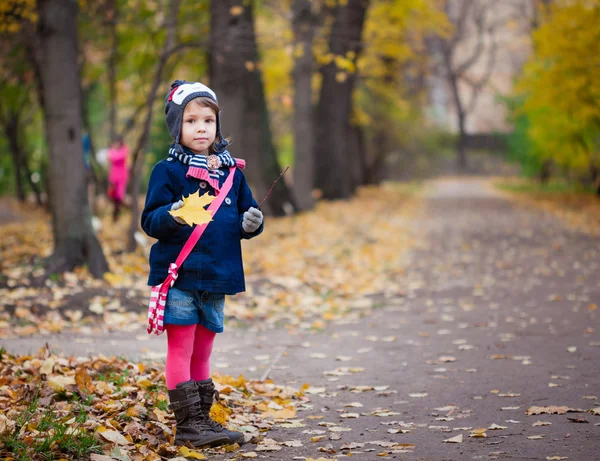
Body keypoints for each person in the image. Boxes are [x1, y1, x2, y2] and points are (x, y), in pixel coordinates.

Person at [141, 80, 264, 448]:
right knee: (181, 347)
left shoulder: (232, 174)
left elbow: (247, 214)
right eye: (191, 120)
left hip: (218, 276)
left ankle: (204, 421)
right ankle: (188, 425)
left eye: (208, 121)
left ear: (217, 126)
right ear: (177, 126)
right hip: (179, 276)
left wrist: (252, 225)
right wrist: (172, 214)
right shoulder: (168, 172)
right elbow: (150, 221)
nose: (201, 128)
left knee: (205, 349)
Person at [107, 137, 129, 222]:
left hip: (122, 176)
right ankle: (115, 216)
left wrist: (114, 154)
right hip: (113, 176)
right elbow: (111, 157)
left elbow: (117, 157)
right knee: (113, 196)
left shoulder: (124, 149)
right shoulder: (112, 150)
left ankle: (123, 211)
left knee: (120, 196)